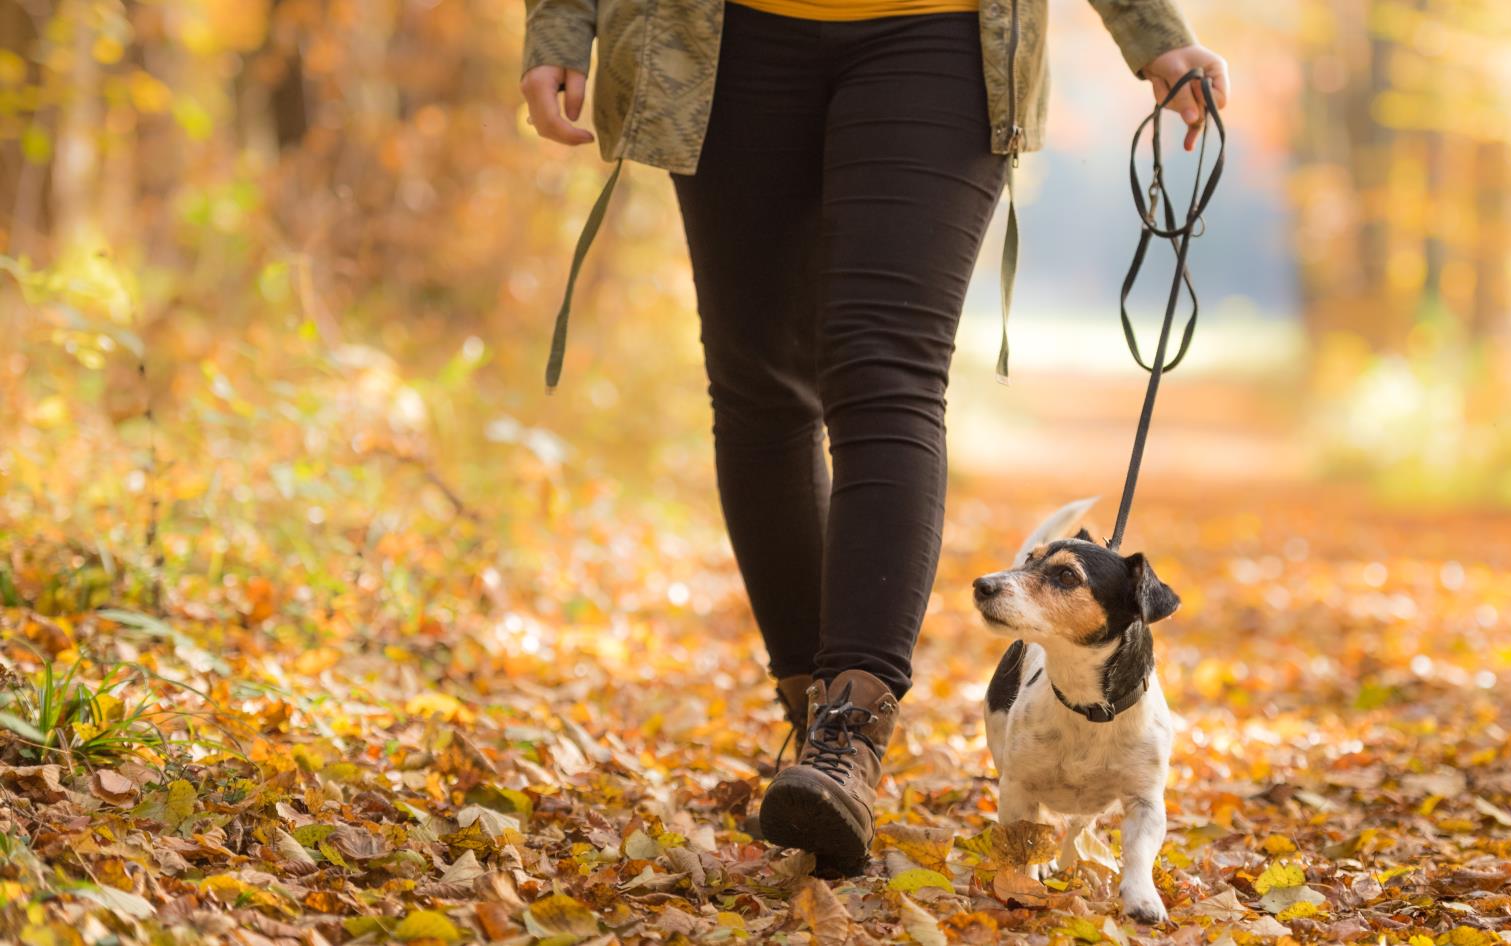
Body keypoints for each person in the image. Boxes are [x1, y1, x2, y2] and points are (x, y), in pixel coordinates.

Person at [520, 0, 1228, 870]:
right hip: (720, 34)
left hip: (940, 31)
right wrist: (559, 25)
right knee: (759, 387)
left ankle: (851, 730)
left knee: (885, 371)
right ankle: (813, 716)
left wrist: (1151, 30)